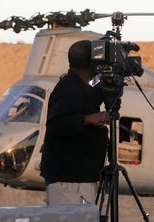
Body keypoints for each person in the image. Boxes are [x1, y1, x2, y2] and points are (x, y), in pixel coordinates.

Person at [40, 40, 110, 205]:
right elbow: (55, 124)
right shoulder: (68, 88)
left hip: (79, 176)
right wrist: (88, 119)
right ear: (93, 63)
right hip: (69, 180)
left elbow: (93, 89)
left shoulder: (82, 84)